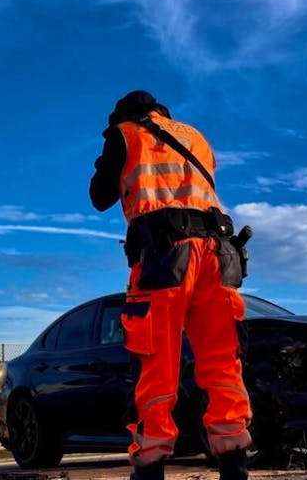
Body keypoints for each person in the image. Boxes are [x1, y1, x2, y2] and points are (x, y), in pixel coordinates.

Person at [89, 90, 252, 480]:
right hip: (219, 254)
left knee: (155, 361)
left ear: (122, 117)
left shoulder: (125, 135)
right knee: (222, 360)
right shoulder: (195, 137)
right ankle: (233, 464)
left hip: (165, 256)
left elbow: (99, 197)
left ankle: (150, 466)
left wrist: (107, 155)